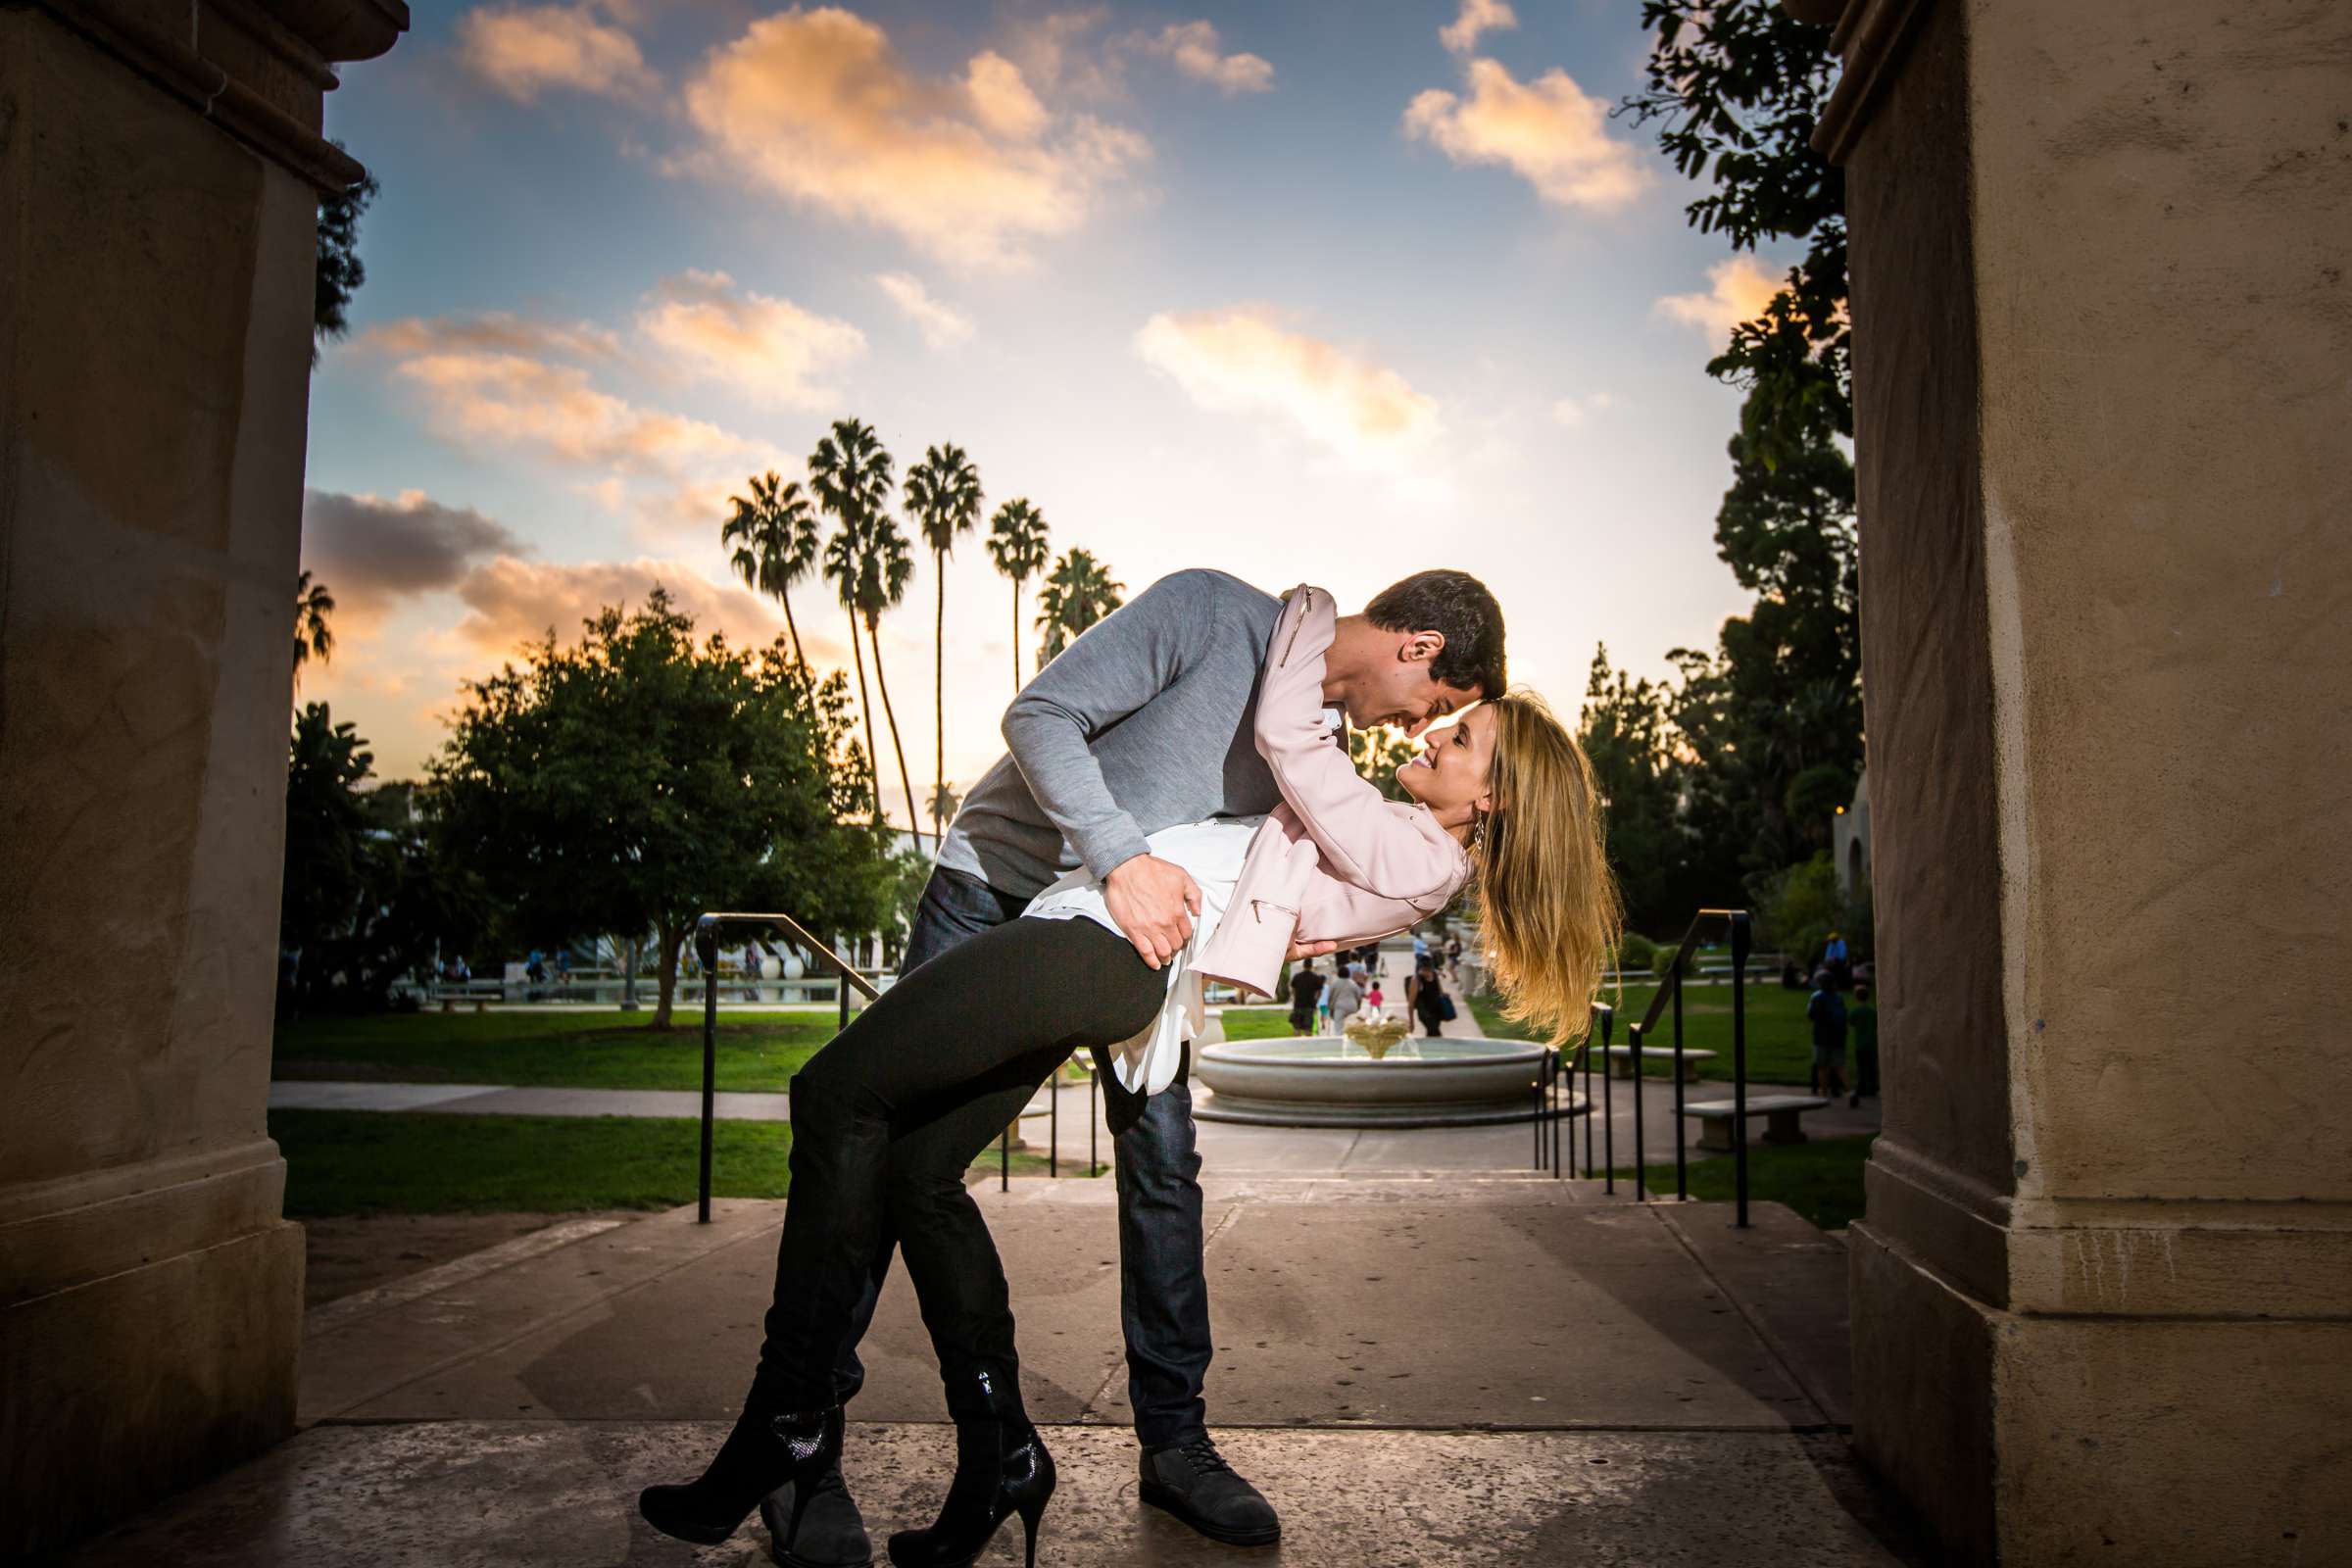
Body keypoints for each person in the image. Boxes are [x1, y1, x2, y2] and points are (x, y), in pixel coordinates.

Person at [637, 578, 1621, 1568]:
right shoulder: (1217, 619)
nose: (1425, 723)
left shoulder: (1324, 742)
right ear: (1417, 647)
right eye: (1436, 707)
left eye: (1451, 731)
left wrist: (1154, 891)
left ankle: (1170, 1442)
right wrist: (1120, 858)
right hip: (1009, 890)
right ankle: (856, 1453)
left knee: (1152, 1166)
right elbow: (1041, 714)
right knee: (899, 1159)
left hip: (1120, 946)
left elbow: (1280, 850)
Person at [1807, 969, 1849, 1099]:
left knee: (1822, 1066)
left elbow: (1811, 1015)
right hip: (1838, 1036)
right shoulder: (1838, 997)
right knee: (1839, 1066)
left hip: (1821, 1036)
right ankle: (1850, 1090)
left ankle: (1824, 1092)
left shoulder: (1817, 997)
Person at [1849, 982, 1879, 1105]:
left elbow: (1851, 1022)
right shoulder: (1873, 1011)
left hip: (1861, 1042)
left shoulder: (1855, 1011)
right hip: (1872, 1042)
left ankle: (1862, 1087)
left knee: (1861, 1066)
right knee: (1872, 1066)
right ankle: (1872, 1087)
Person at [1287, 958, 1324, 1037]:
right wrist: (1316, 1001)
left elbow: (1293, 990)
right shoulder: (1316, 977)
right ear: (1311, 966)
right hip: (1310, 1005)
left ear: (1303, 965)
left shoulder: (1297, 977)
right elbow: (1320, 992)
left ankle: (1297, 1046)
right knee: (1308, 1028)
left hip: (1298, 1005)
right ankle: (1308, 1046)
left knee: (1297, 1028)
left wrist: (1295, 998)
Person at [1412, 958, 1447, 1037]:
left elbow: (1440, 991)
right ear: (1419, 969)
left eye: (1428, 970)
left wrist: (1444, 995)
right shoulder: (1416, 980)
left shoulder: (1434, 975)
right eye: (1424, 970)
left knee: (1431, 1033)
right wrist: (1412, 1022)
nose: (1426, 972)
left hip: (1436, 1011)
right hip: (1424, 1013)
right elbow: (1411, 1003)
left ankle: (1428, 1048)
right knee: (1436, 1033)